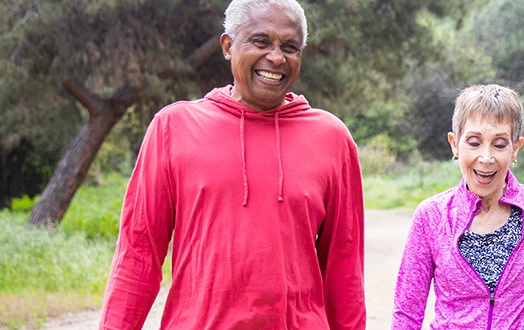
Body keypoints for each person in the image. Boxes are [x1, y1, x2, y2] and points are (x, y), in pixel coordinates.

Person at [99, 0, 365, 329]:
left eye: (290, 47)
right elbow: (138, 252)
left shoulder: (331, 138)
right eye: (261, 41)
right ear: (228, 46)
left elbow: (344, 268)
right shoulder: (174, 127)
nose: (277, 58)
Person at [392, 84, 524, 329]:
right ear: (455, 144)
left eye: (499, 144)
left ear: (515, 148)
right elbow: (406, 312)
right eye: (474, 142)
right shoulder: (431, 216)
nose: (486, 158)